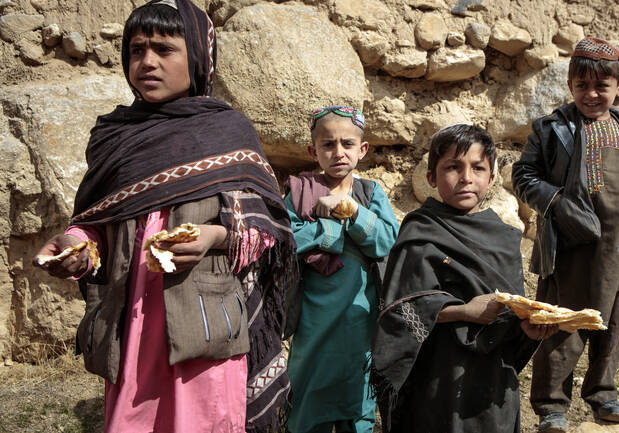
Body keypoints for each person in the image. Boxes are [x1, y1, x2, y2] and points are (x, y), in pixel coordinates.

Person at [33, 1, 297, 432]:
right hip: (133, 326)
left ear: (196, 56)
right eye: (136, 50)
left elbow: (267, 230)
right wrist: (78, 246)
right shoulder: (113, 138)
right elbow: (99, 221)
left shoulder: (227, 133)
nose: (147, 62)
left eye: (164, 49)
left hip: (205, 331)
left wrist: (213, 236)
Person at [511, 37, 619, 433]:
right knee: (561, 323)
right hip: (569, 246)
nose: (592, 94)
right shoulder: (552, 129)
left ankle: (603, 394)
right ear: (570, 85)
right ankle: (551, 406)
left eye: (602, 86)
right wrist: (555, 200)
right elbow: (523, 175)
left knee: (611, 322)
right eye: (582, 85)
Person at [371, 124, 558, 433]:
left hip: (494, 383)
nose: (466, 177)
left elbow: (512, 314)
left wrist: (529, 329)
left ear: (492, 177)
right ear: (431, 177)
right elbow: (398, 311)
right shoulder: (420, 233)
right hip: (437, 381)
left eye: (478, 168)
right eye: (452, 167)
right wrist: (463, 311)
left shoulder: (503, 238)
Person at [283, 106, 399, 433]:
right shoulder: (299, 193)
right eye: (328, 145)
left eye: (347, 144)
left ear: (362, 150)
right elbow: (285, 239)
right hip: (313, 320)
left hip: (359, 318)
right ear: (312, 151)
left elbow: (388, 241)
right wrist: (329, 230)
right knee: (308, 395)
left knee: (357, 399)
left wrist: (350, 212)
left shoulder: (371, 193)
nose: (338, 153)